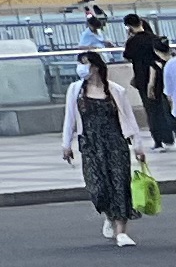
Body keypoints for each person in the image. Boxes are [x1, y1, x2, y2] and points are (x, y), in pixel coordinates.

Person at [65, 50, 143, 247]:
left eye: (85, 64)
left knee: (119, 184)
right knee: (97, 187)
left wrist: (138, 146)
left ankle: (121, 231)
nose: (82, 68)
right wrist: (66, 144)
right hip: (91, 144)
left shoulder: (115, 90)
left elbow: (129, 119)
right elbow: (70, 119)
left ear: (96, 66)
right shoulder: (76, 90)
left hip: (115, 143)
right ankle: (109, 213)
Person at [126, 17, 173, 149]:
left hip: (144, 80)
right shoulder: (154, 39)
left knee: (151, 110)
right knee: (164, 108)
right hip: (160, 79)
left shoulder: (132, 42)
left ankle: (158, 140)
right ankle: (168, 136)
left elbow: (128, 56)